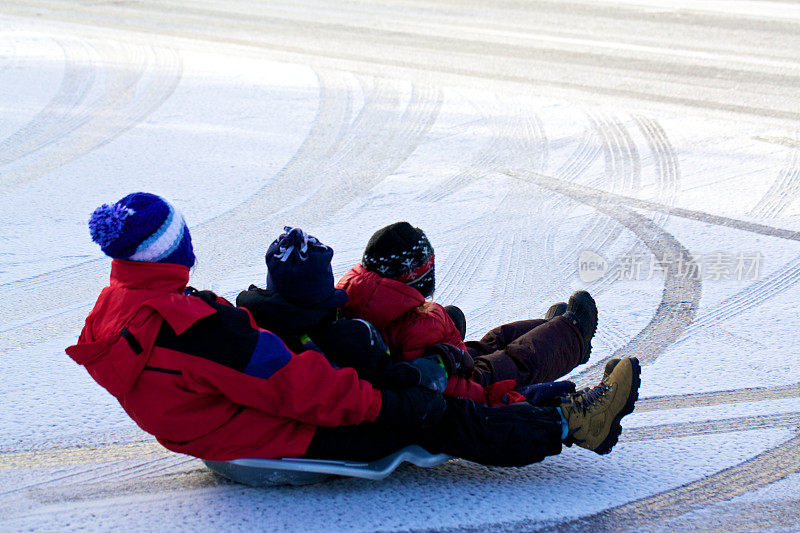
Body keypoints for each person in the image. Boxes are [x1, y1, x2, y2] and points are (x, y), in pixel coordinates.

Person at [66, 192, 640, 467]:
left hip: (214, 426)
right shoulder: (190, 325)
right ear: (176, 249)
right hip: (268, 433)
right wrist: (388, 402)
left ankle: (557, 397)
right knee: (442, 418)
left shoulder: (118, 306)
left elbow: (252, 362)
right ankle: (573, 424)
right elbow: (296, 386)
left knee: (454, 381)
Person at [337, 221, 596, 395]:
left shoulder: (356, 292)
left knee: (488, 345)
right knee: (510, 363)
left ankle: (548, 329)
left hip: (408, 361)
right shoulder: (416, 324)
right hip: (455, 391)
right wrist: (438, 322)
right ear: (417, 279)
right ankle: (571, 337)